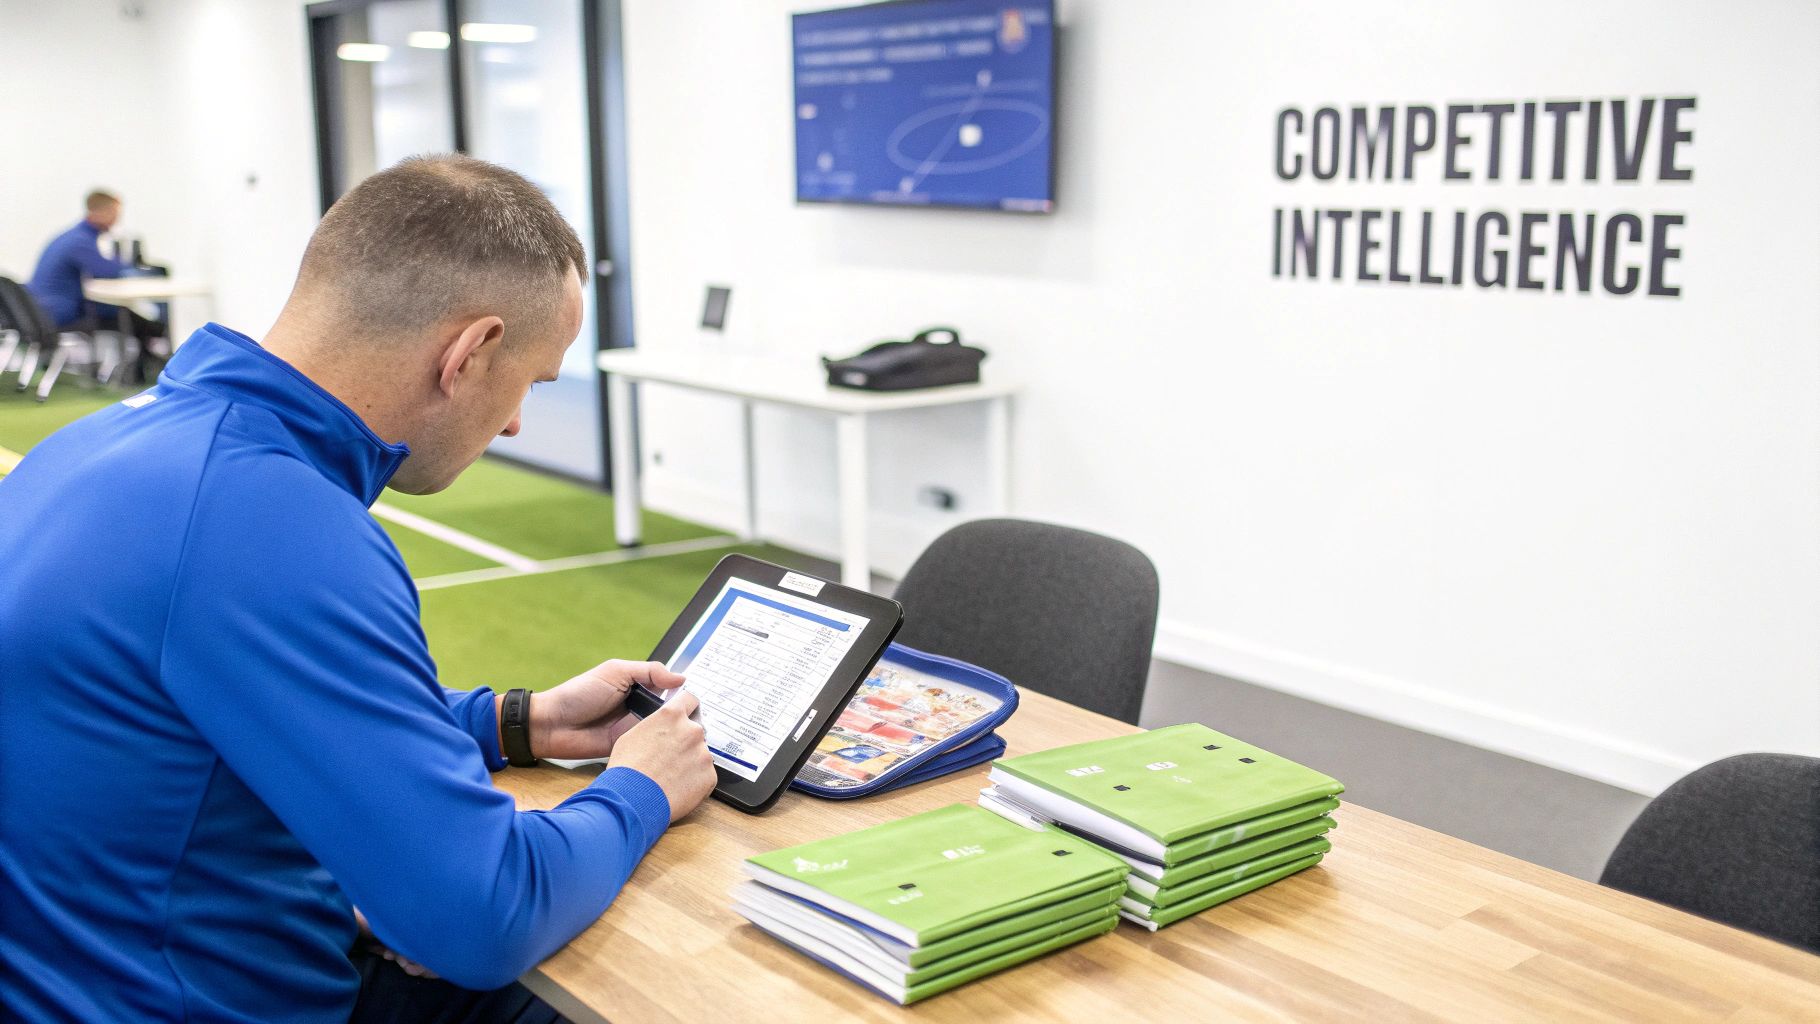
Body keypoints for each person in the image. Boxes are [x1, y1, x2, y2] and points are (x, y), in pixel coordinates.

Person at [0, 156, 719, 1023]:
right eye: (530, 383)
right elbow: (480, 917)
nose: (515, 422)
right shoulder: (270, 522)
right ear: (470, 353)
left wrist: (516, 721)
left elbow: (238, 710)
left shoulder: (97, 447)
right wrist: (641, 786)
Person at [25, 189, 168, 380]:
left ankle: (144, 363)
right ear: (99, 212)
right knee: (130, 318)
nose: (116, 221)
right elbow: (110, 270)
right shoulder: (79, 241)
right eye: (114, 214)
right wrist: (132, 263)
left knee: (127, 316)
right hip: (60, 312)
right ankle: (142, 367)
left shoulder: (72, 236)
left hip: (45, 308)